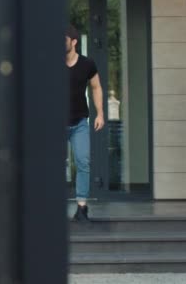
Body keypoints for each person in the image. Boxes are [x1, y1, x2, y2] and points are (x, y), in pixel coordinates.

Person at [65, 25, 105, 223]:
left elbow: (96, 87)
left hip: (80, 122)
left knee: (83, 162)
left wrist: (100, 114)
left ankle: (82, 208)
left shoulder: (87, 64)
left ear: (74, 42)